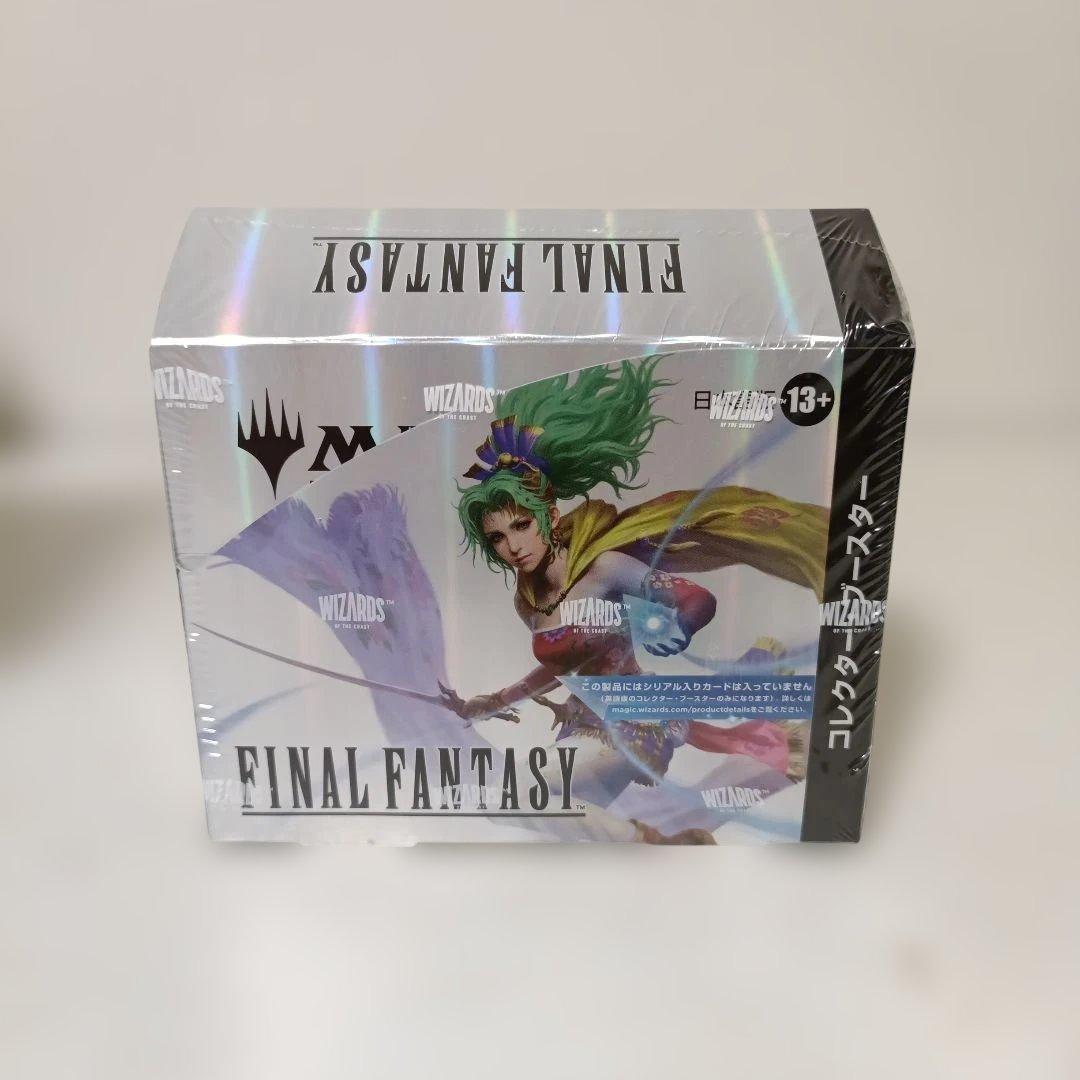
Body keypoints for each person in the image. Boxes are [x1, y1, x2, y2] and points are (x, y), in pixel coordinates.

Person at [438, 358, 828, 839]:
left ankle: (658, 842)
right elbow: (561, 668)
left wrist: (681, 626)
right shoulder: (528, 601)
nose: (513, 546)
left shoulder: (603, 568)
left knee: (513, 798)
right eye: (497, 537)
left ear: (550, 517)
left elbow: (695, 599)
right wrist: (494, 701)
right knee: (555, 823)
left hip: (633, 724)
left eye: (521, 525)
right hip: (583, 727)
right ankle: (674, 840)